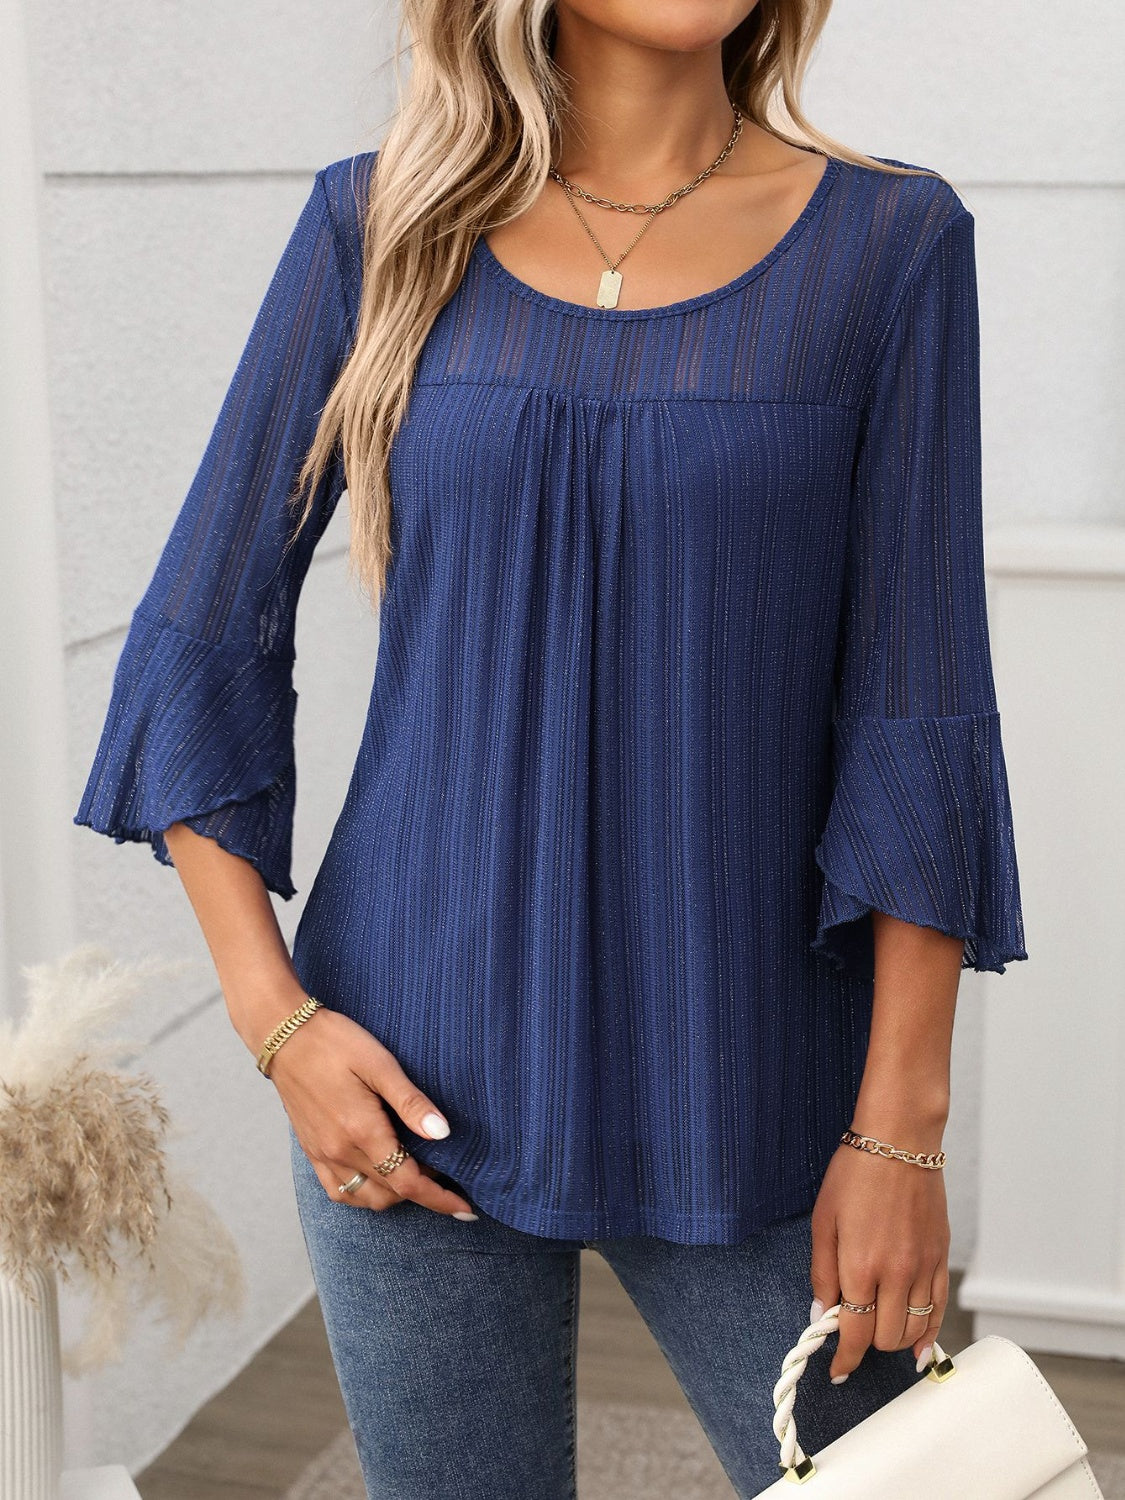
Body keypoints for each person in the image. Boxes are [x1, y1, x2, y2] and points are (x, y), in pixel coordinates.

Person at [74, 1, 1028, 1495]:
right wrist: (277, 1024)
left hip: (757, 1081)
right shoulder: (378, 225)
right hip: (410, 1077)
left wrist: (903, 1130)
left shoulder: (889, 247)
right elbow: (200, 634)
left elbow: (918, 705)